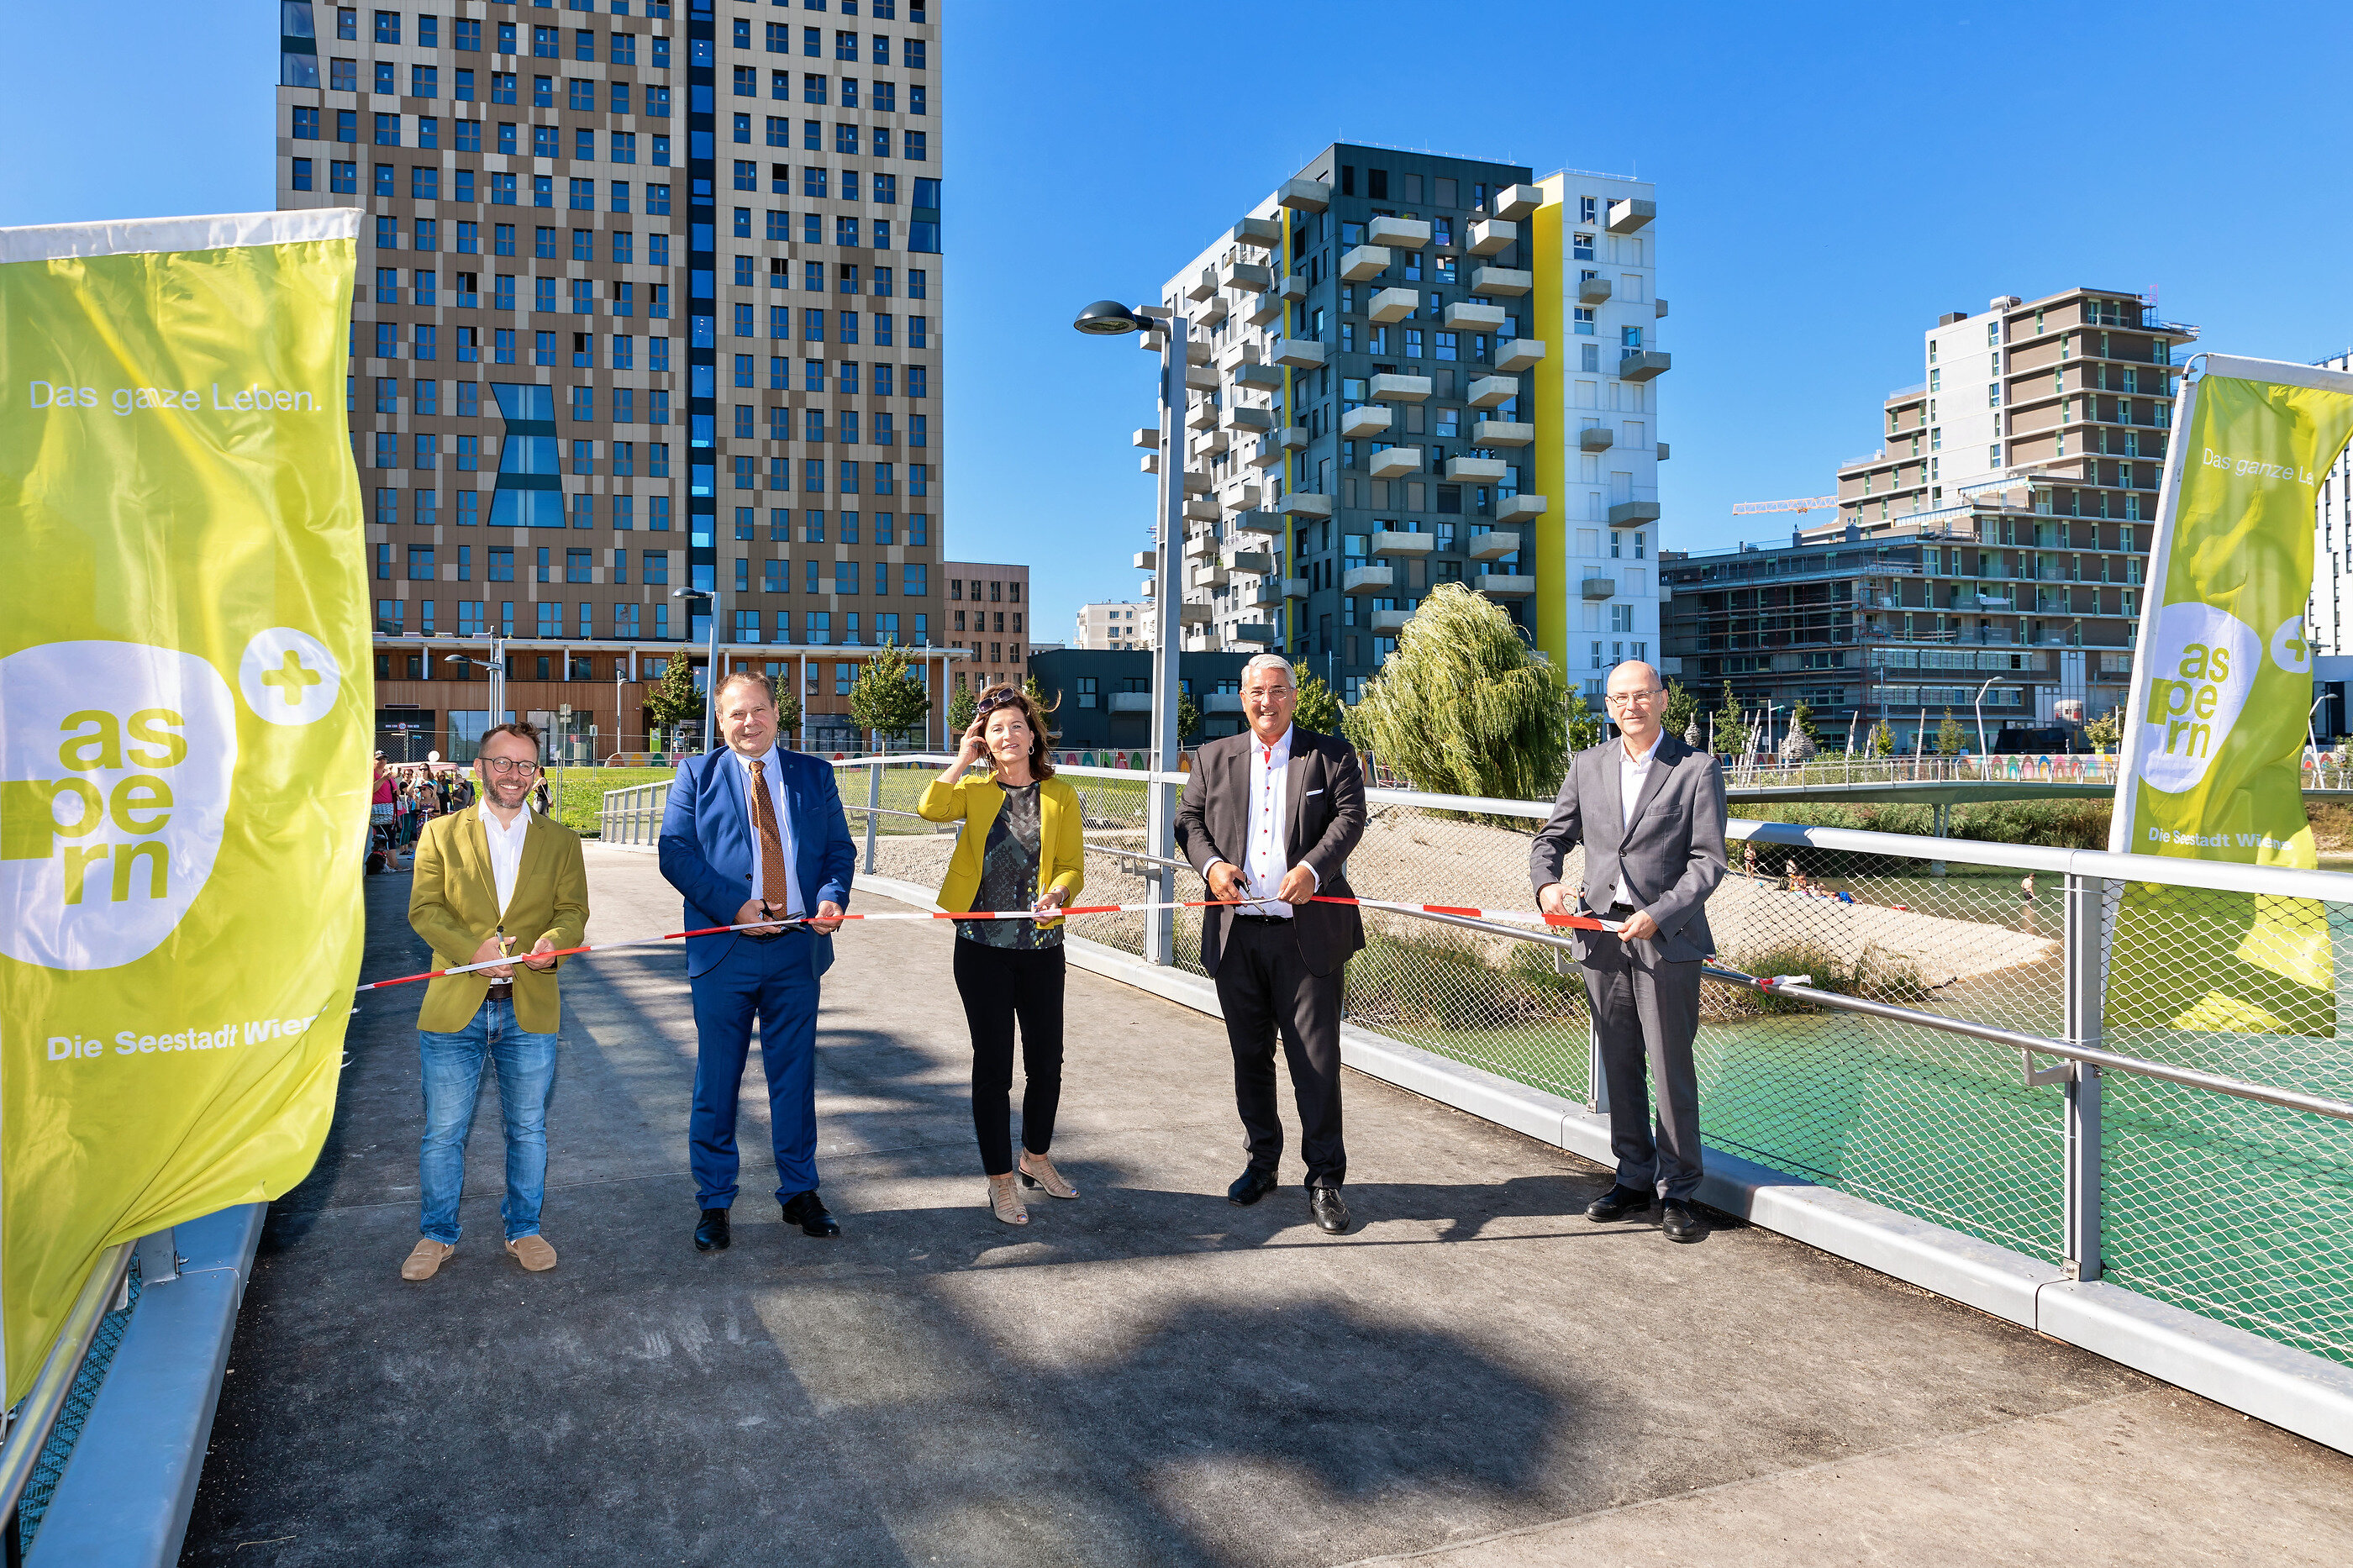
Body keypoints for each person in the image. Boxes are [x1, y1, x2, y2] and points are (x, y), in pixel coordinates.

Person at [1529, 660, 1728, 1244]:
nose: (1631, 706)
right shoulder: (1588, 765)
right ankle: (1633, 1177)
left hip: (1666, 939)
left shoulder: (1696, 768)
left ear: (1664, 699)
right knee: (1620, 1066)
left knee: (1670, 1070)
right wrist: (1546, 885)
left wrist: (1659, 913)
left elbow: (1708, 861)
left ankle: (1679, 1192)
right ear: (1608, 705)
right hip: (1599, 938)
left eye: (1642, 695)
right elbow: (1551, 838)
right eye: (1620, 698)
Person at [659, 671, 856, 1252]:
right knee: (717, 1081)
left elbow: (839, 850)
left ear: (777, 711)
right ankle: (716, 1200)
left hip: (799, 949)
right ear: (721, 722)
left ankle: (800, 1191)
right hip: (725, 950)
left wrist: (831, 897)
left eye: (758, 710)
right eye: (735, 714)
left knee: (794, 1078)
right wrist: (734, 907)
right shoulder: (696, 774)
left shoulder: (814, 774)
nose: (749, 722)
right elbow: (675, 853)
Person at [1174, 653, 1369, 1236]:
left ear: (1293, 695)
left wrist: (1313, 869)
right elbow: (1188, 821)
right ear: (1243, 697)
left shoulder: (1330, 755)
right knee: (1250, 1059)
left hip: (1306, 939)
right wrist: (1210, 868)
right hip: (1237, 938)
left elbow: (1350, 818)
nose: (1268, 701)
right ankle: (1262, 1164)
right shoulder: (1213, 758)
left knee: (1316, 1063)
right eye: (1257, 691)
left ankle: (1326, 1179)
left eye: (1278, 691)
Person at [401, 720, 591, 1279]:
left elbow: (572, 913)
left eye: (525, 765)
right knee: (444, 1131)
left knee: (528, 1128)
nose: (514, 774)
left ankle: (523, 1229)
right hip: (455, 1005)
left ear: (537, 773)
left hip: (529, 1005)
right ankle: (436, 1235)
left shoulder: (562, 842)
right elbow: (424, 910)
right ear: (480, 767)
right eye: (502, 763)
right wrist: (473, 947)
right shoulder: (440, 833)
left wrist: (553, 945)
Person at [919, 685, 1087, 1225]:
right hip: (981, 948)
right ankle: (999, 1180)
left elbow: (1072, 866)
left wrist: (1059, 893)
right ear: (985, 741)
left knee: (1047, 1062)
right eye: (996, 729)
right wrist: (962, 758)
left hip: (1042, 948)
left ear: (1033, 734)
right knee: (993, 1067)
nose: (1008, 735)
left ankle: (1035, 1158)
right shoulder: (973, 789)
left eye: (1017, 725)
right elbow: (930, 808)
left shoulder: (1060, 794)